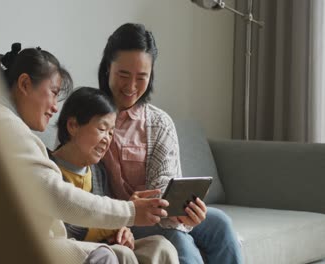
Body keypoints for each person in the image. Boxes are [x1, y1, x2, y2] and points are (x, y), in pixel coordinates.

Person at [0, 42, 170, 263]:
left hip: (32, 241)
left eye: (111, 132)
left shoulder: (1, 121)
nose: (55, 107)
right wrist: (129, 211)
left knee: (158, 247)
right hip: (17, 244)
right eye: (53, 93)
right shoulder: (4, 123)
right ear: (24, 84)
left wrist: (122, 226)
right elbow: (57, 196)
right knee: (111, 255)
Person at [97, 23, 243, 264]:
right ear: (107, 69)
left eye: (141, 77)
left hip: (159, 214)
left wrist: (185, 214)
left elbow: (166, 190)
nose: (131, 86)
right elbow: (82, 191)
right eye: (123, 75)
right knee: (178, 240)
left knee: (220, 225)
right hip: (121, 217)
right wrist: (172, 221)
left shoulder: (159, 123)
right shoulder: (87, 116)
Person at [50, 86, 179, 264]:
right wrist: (118, 219)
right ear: (73, 125)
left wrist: (122, 230)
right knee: (122, 254)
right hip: (75, 251)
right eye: (102, 129)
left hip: (104, 245)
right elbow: (71, 223)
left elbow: (108, 218)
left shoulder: (98, 171)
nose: (107, 139)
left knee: (160, 246)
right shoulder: (48, 168)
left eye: (111, 132)